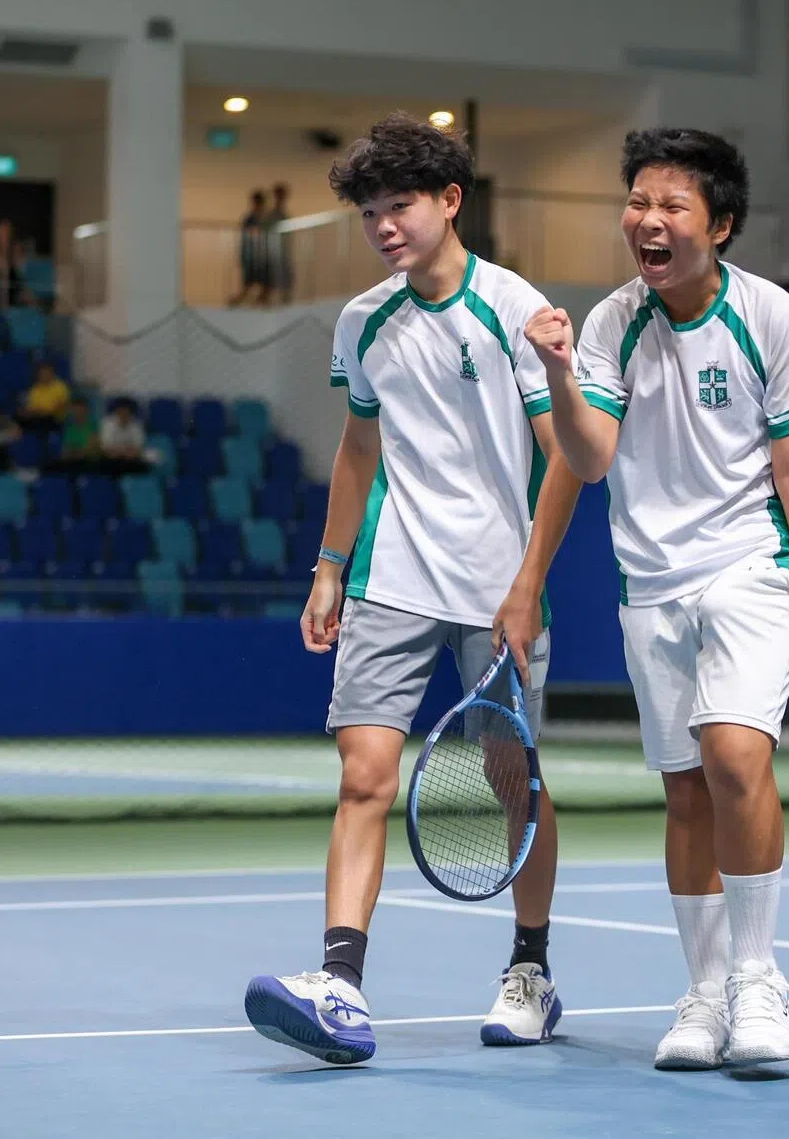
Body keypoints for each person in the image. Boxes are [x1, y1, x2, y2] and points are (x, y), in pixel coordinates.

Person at [243, 114, 582, 1065]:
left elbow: (562, 458)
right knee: (362, 778)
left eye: (400, 206)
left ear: (450, 201)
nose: (384, 226)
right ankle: (340, 986)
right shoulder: (364, 320)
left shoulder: (514, 307)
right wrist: (329, 566)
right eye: (369, 213)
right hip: (390, 577)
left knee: (514, 782)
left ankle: (531, 970)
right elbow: (359, 448)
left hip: (499, 587)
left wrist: (528, 585)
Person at [525, 128, 789, 1071]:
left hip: (752, 566)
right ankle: (706, 993)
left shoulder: (768, 314)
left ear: (718, 225)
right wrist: (557, 373)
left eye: (672, 205)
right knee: (685, 792)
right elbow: (589, 459)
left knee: (734, 755)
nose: (648, 219)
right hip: (651, 583)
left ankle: (758, 979)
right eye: (638, 202)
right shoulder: (612, 324)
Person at [229, 190, 270, 307]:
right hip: (252, 258)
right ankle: (235, 304)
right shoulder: (250, 219)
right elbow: (248, 238)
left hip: (261, 258)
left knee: (265, 285)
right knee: (249, 285)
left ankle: (259, 305)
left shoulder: (264, 218)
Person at [99, 397, 152, 474]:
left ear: (131, 413)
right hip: (112, 458)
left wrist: (130, 453)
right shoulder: (107, 423)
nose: (123, 414)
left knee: (143, 466)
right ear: (116, 411)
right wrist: (121, 452)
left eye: (126, 411)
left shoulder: (137, 425)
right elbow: (106, 447)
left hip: (130, 458)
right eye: (120, 411)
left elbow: (138, 446)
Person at [18, 362, 70, 432]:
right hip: (37, 416)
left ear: (52, 373)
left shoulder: (60, 387)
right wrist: (27, 412)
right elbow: (32, 406)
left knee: (40, 421)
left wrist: (40, 411)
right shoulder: (35, 388)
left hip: (55, 419)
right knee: (18, 417)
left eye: (46, 373)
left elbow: (59, 407)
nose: (44, 375)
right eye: (41, 373)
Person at [264, 182, 293, 305]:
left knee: (286, 283)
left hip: (283, 253)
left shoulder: (281, 213)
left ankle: (284, 304)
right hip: (273, 254)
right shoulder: (272, 215)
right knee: (271, 283)